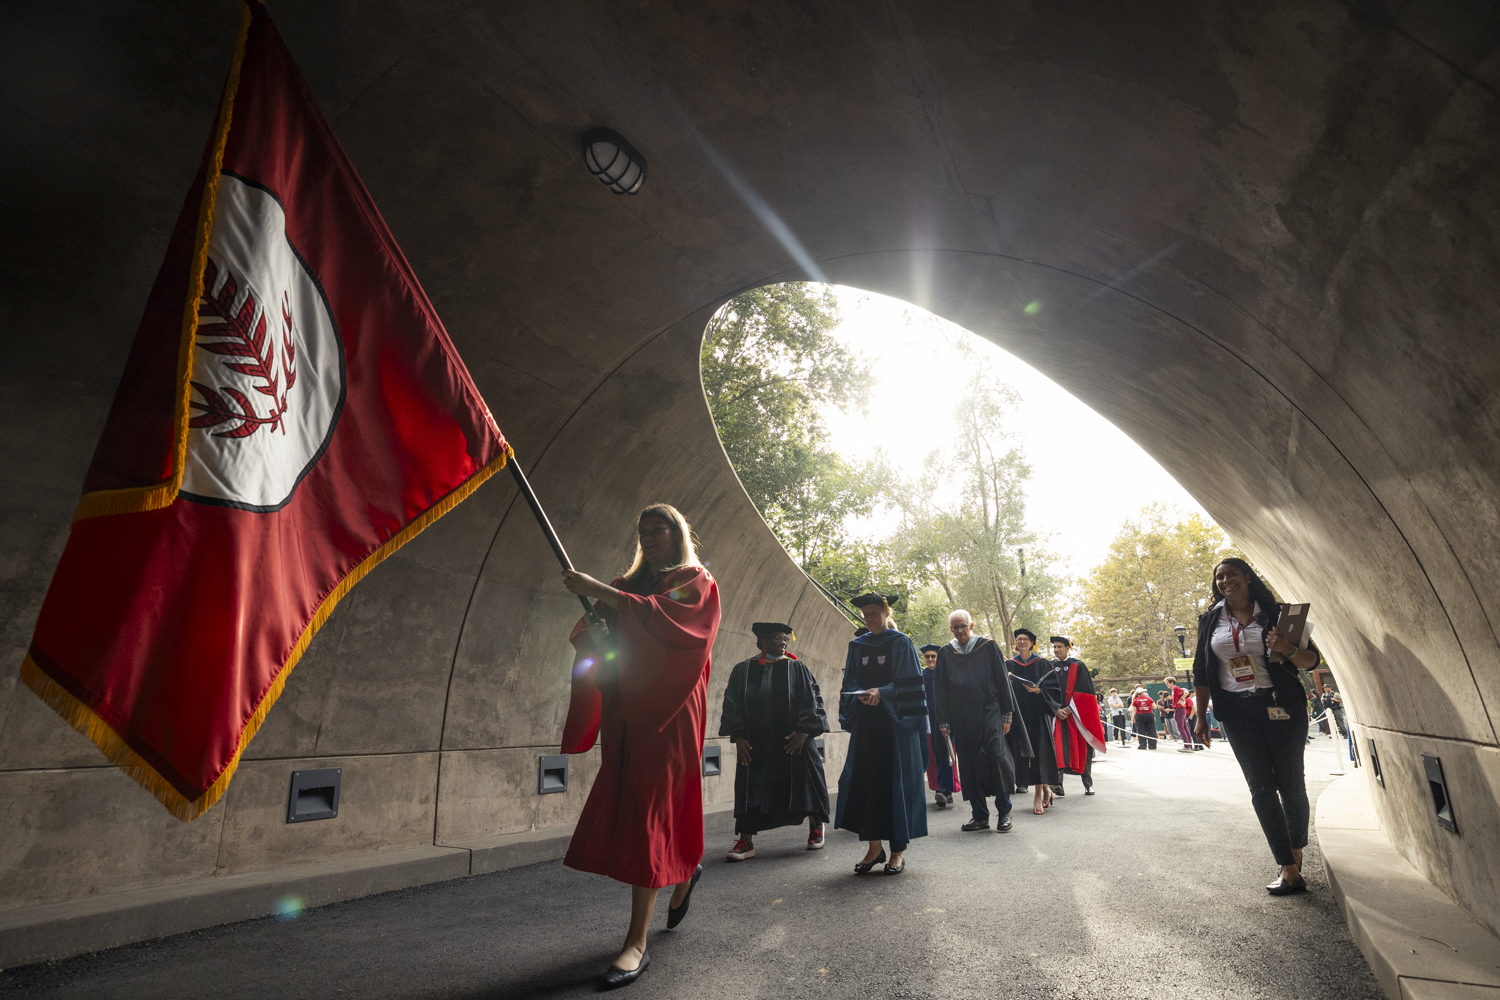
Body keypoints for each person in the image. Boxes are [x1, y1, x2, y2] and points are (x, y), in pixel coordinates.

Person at [560, 503, 722, 989]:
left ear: (677, 535)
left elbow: (678, 627)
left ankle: (636, 942)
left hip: (669, 710)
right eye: (644, 531)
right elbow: (602, 640)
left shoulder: (694, 580)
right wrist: (597, 622)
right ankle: (686, 867)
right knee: (639, 806)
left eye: (660, 529)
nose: (650, 537)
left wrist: (600, 592)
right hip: (627, 709)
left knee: (653, 808)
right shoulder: (627, 585)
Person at [1192, 558, 1322, 896]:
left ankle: (1294, 851)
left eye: (1232, 574)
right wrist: (1200, 715)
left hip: (1281, 705)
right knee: (1261, 788)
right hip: (1237, 712)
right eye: (1219, 577)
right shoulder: (1210, 620)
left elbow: (1311, 661)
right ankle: (1288, 866)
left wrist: (1287, 648)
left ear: (1247, 578)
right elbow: (1202, 673)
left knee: (1292, 783)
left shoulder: (1279, 615)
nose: (1225, 581)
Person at [719, 622, 831, 862]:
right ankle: (745, 841)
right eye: (777, 638)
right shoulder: (743, 670)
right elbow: (732, 704)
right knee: (751, 787)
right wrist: (738, 736)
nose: (783, 642)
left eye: (785, 638)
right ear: (762, 642)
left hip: (794, 740)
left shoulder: (796, 668)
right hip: (756, 743)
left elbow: (811, 701)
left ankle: (816, 827)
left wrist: (804, 731)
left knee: (805, 783)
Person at [836, 592, 929, 875]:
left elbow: (910, 683)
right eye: (866, 613)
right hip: (867, 726)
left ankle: (897, 852)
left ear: (887, 613)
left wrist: (883, 693)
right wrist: (858, 696)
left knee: (895, 785)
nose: (870, 618)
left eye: (875, 612)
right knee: (866, 784)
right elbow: (850, 679)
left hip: (895, 727)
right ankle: (874, 848)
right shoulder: (857, 645)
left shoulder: (900, 643)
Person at [932, 610, 1030, 833]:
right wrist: (944, 721)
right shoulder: (946, 653)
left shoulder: (987, 646)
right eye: (955, 627)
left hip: (990, 712)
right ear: (951, 629)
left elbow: (1001, 680)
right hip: (961, 715)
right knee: (969, 764)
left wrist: (1007, 714)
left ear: (971, 625)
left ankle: (1004, 811)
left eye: (963, 626)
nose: (960, 631)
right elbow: (942, 690)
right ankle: (980, 816)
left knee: (996, 758)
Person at [1006, 628, 1061, 814]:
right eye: (1019, 639)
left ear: (1032, 643)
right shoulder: (1008, 665)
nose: (1022, 642)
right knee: (1019, 753)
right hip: (1018, 714)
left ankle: (1038, 794)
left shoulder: (1042, 663)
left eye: (1026, 639)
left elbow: (1054, 691)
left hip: (1038, 713)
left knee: (1039, 752)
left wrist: (1038, 692)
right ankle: (1045, 788)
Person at [1048, 637, 1104, 796]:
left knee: (1082, 747)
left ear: (1067, 648)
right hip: (1056, 715)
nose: (1056, 649)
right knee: (1057, 747)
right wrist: (1056, 708)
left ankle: (1087, 783)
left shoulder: (1078, 666)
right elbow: (1046, 690)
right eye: (1054, 647)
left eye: (1059, 646)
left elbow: (1085, 690)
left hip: (1076, 716)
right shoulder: (1050, 666)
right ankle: (1057, 783)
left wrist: (1070, 709)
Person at [919, 643, 960, 808]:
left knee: (946, 754)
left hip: (946, 720)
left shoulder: (946, 674)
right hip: (929, 720)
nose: (930, 659)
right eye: (927, 656)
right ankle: (943, 790)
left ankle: (944, 789)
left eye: (933, 656)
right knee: (935, 755)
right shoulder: (921, 676)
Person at [1167, 676, 1197, 752]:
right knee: (1185, 728)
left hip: (1179, 710)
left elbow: (1186, 692)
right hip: (1180, 710)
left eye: (1167, 683)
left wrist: (1181, 699)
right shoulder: (1173, 690)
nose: (1166, 685)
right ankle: (1189, 746)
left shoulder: (1176, 688)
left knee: (1181, 727)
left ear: (1172, 683)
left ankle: (1187, 746)